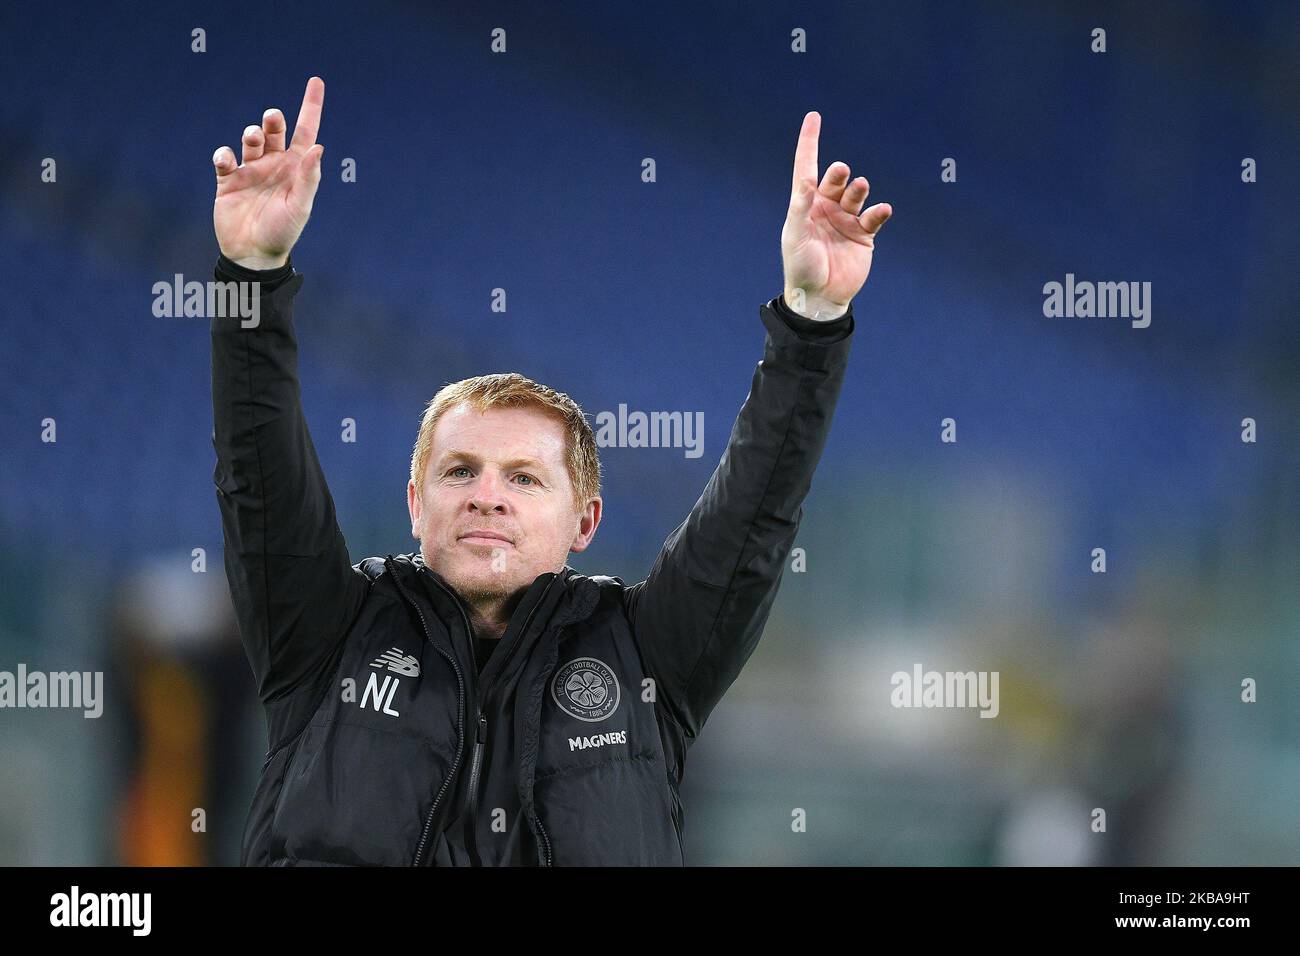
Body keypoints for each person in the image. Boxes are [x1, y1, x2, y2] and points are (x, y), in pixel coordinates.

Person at [210, 76, 892, 865]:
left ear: (585, 520)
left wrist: (811, 322)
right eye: (459, 471)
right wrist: (253, 273)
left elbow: (756, 516)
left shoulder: (648, 656)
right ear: (414, 505)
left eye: (525, 478)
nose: (486, 497)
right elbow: (257, 471)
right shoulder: (325, 632)